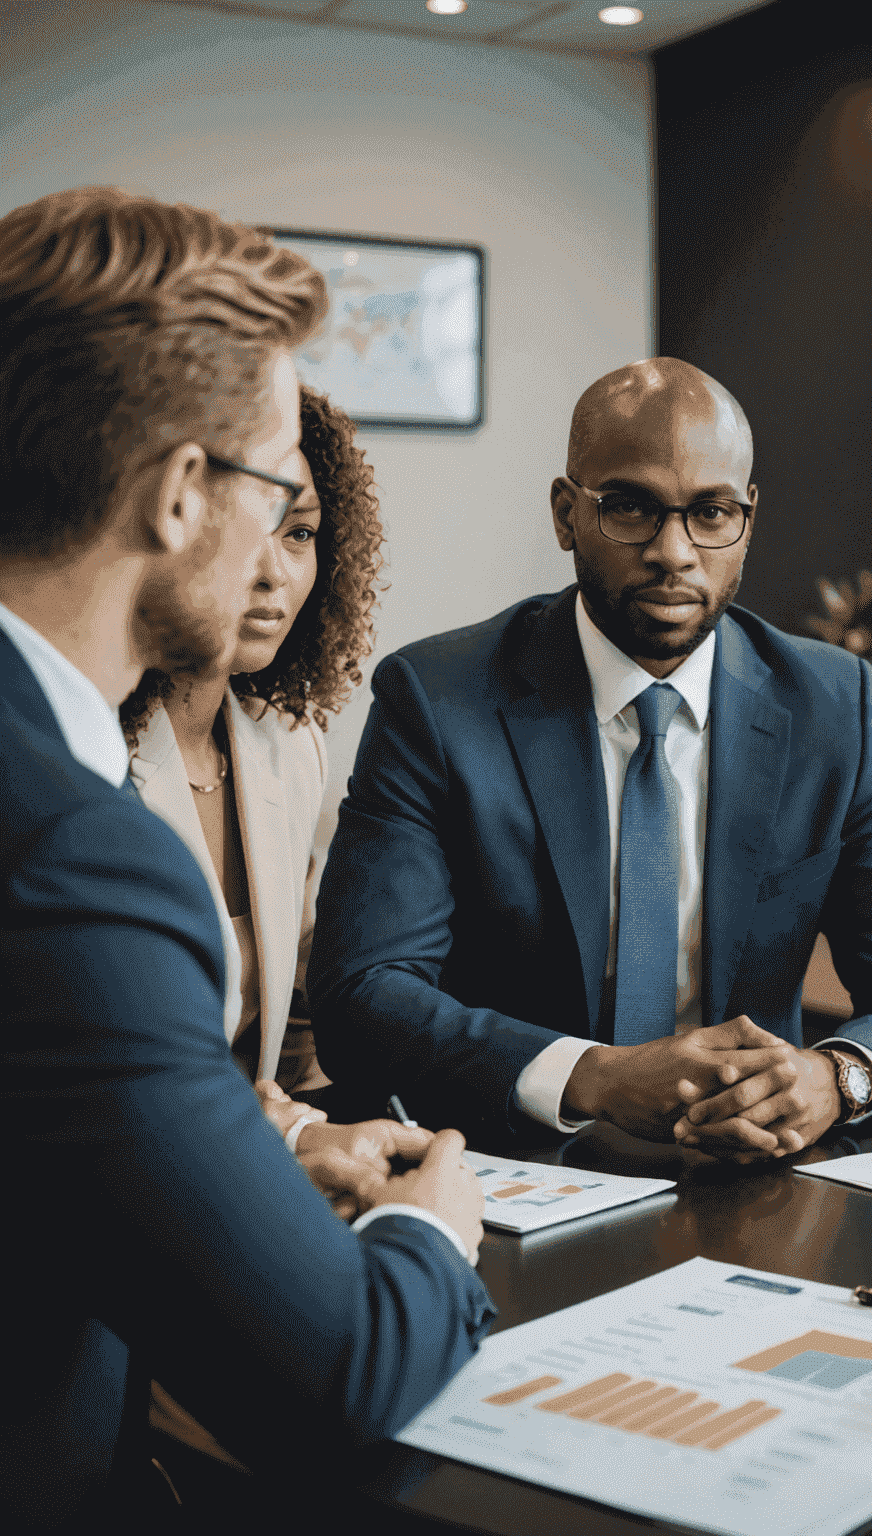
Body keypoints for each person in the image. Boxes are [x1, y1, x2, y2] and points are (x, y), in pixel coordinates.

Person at [0, 188, 491, 1531]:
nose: (284, 549)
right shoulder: (73, 852)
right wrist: (430, 1226)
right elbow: (344, 1373)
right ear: (176, 497)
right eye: (274, 486)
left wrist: (257, 1141)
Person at [309, 357, 872, 1159]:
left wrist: (834, 1080)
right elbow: (363, 997)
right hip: (511, 1164)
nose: (674, 551)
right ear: (566, 515)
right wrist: (593, 1076)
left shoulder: (829, 704)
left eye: (711, 513)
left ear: (747, 520)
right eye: (630, 508)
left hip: (752, 1172)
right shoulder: (437, 700)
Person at [119, 384, 404, 1170]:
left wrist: (346, 1140)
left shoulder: (288, 743)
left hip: (249, 1175)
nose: (273, 574)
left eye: (302, 533)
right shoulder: (78, 751)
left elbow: (297, 1032)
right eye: (246, 528)